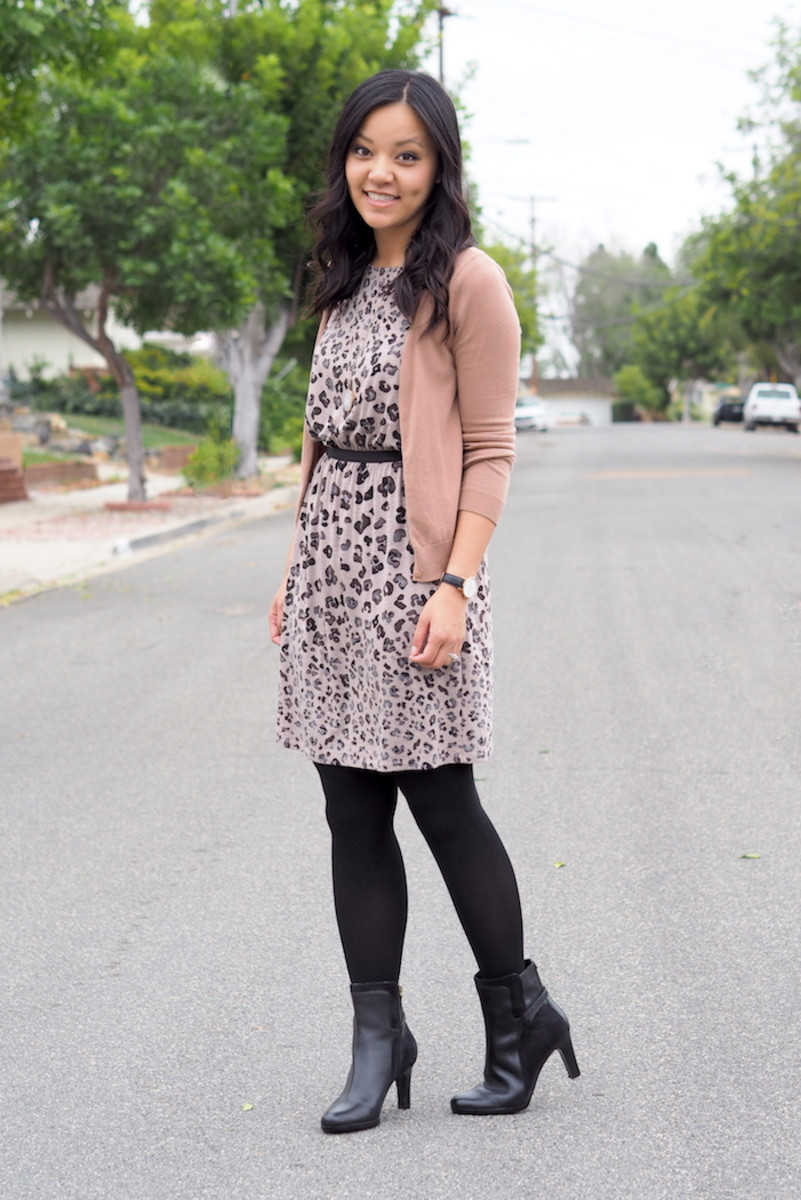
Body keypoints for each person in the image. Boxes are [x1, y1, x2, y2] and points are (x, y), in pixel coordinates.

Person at [269, 69, 579, 1134]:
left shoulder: (469, 282)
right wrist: (293, 569)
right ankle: (377, 1037)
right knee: (349, 810)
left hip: (418, 577)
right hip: (332, 577)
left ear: (440, 166)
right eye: (365, 150)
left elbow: (491, 452)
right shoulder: (341, 275)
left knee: (443, 803)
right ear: (343, 161)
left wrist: (455, 583)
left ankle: (518, 1018)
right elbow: (322, 438)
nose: (381, 172)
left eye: (406, 154)